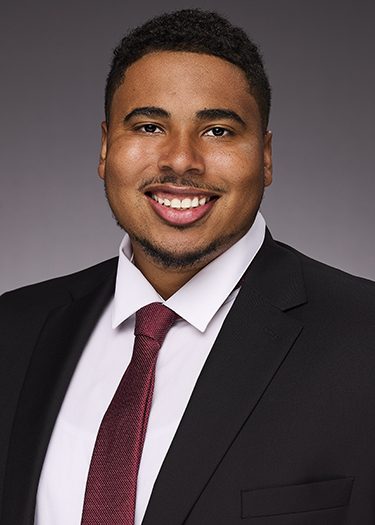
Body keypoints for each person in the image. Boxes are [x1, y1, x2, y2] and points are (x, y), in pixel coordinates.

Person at [1, 8, 374, 525]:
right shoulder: (12, 330)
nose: (181, 160)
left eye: (218, 130)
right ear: (106, 147)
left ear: (265, 157)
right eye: (150, 125)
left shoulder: (365, 340)